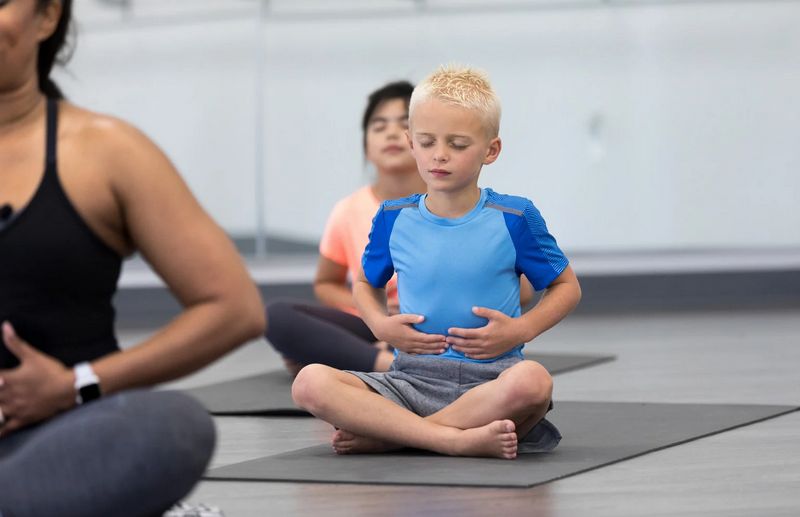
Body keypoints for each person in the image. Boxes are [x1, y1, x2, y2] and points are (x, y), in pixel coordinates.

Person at [0, 1, 266, 516]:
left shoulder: (105, 151)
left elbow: (233, 308)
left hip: (56, 443)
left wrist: (73, 385)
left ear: (47, 16)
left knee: (173, 426)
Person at [291, 65, 582, 459]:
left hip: (493, 384)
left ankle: (397, 436)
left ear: (490, 150)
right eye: (427, 142)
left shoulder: (515, 216)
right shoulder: (392, 216)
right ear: (412, 143)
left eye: (458, 145)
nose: (439, 155)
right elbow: (363, 284)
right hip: (410, 382)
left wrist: (520, 331)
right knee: (309, 382)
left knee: (534, 382)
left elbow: (566, 287)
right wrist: (381, 326)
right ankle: (451, 438)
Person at [266, 81, 533, 375]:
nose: (390, 133)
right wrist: (384, 317)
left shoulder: (468, 206)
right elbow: (327, 284)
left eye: (400, 123)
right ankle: (384, 360)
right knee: (277, 316)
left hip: (444, 325)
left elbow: (521, 290)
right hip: (375, 322)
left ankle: (355, 357)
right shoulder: (351, 211)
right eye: (379, 126)